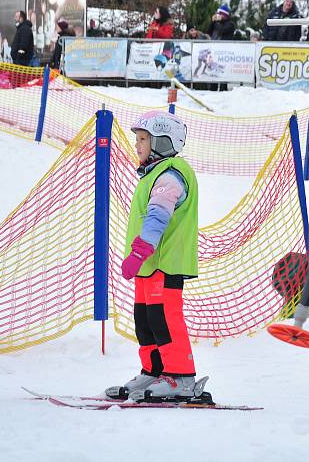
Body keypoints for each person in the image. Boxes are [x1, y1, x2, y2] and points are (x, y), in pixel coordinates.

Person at [107, 111, 207, 402]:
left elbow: (158, 216)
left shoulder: (171, 175)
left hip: (164, 263)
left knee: (165, 319)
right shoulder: (154, 175)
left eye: (143, 139)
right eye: (137, 139)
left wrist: (140, 251)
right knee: (146, 319)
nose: (137, 145)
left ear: (162, 141)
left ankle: (180, 377)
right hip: (150, 267)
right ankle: (155, 370)